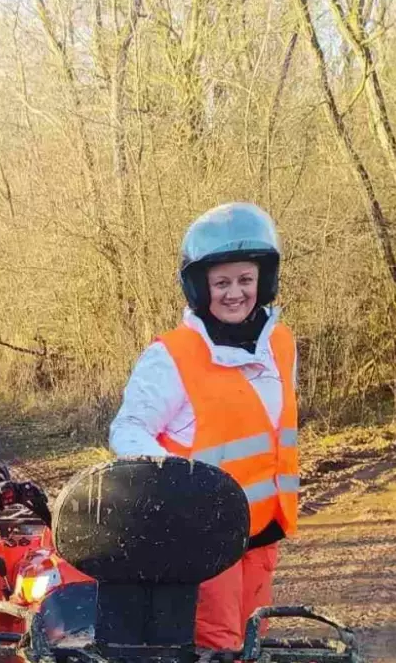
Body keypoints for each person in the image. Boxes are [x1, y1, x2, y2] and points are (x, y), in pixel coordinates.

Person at [108, 202, 299, 652]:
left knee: (253, 640)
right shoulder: (172, 356)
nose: (235, 293)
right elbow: (128, 430)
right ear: (200, 287)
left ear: (263, 281)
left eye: (245, 280)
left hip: (264, 530)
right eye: (222, 282)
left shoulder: (282, 346)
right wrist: (181, 481)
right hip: (204, 538)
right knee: (218, 647)